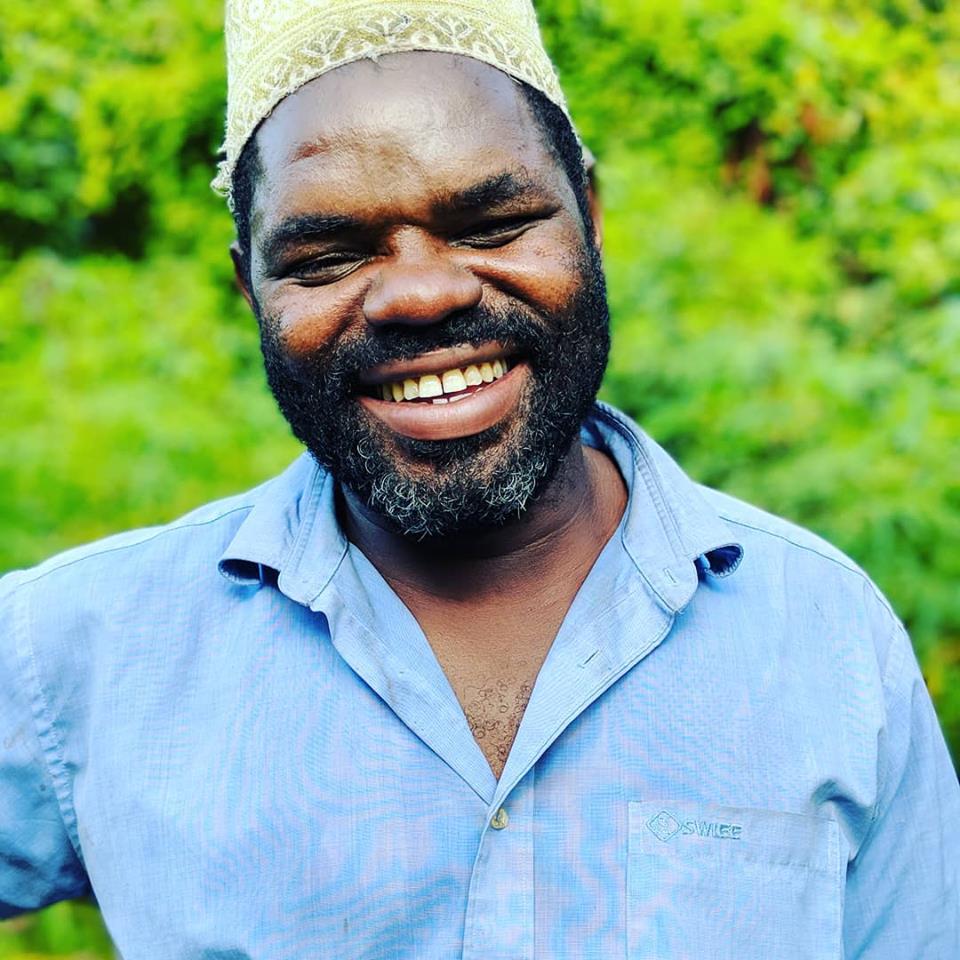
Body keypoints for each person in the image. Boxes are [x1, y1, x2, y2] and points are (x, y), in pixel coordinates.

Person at [2, 0, 957, 956]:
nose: (424, 294)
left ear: (590, 215)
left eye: (494, 224)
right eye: (328, 256)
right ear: (250, 285)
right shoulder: (79, 653)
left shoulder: (824, 633)